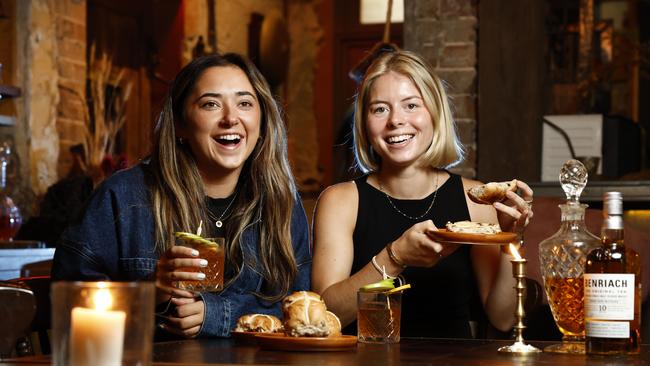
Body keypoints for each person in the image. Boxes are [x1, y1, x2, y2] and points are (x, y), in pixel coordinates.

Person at [52, 53, 312, 338]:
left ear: (261, 122)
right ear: (180, 125)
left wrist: (217, 315)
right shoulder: (124, 196)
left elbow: (299, 308)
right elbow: (66, 300)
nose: (230, 118)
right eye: (210, 104)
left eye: (245, 103)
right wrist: (149, 294)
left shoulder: (281, 202)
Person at [312, 50, 534, 338]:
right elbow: (325, 318)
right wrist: (394, 258)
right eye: (380, 109)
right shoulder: (340, 201)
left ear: (435, 113)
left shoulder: (476, 200)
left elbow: (503, 318)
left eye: (411, 105)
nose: (395, 121)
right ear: (365, 125)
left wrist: (512, 239)